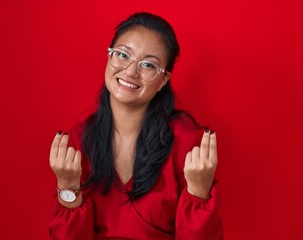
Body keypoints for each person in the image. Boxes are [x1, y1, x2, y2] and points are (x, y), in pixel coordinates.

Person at [49, 12, 223, 240]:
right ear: (108, 57)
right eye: (122, 55)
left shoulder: (188, 145)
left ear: (163, 80)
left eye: (149, 65)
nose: (131, 72)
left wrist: (199, 193)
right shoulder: (78, 141)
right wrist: (68, 185)